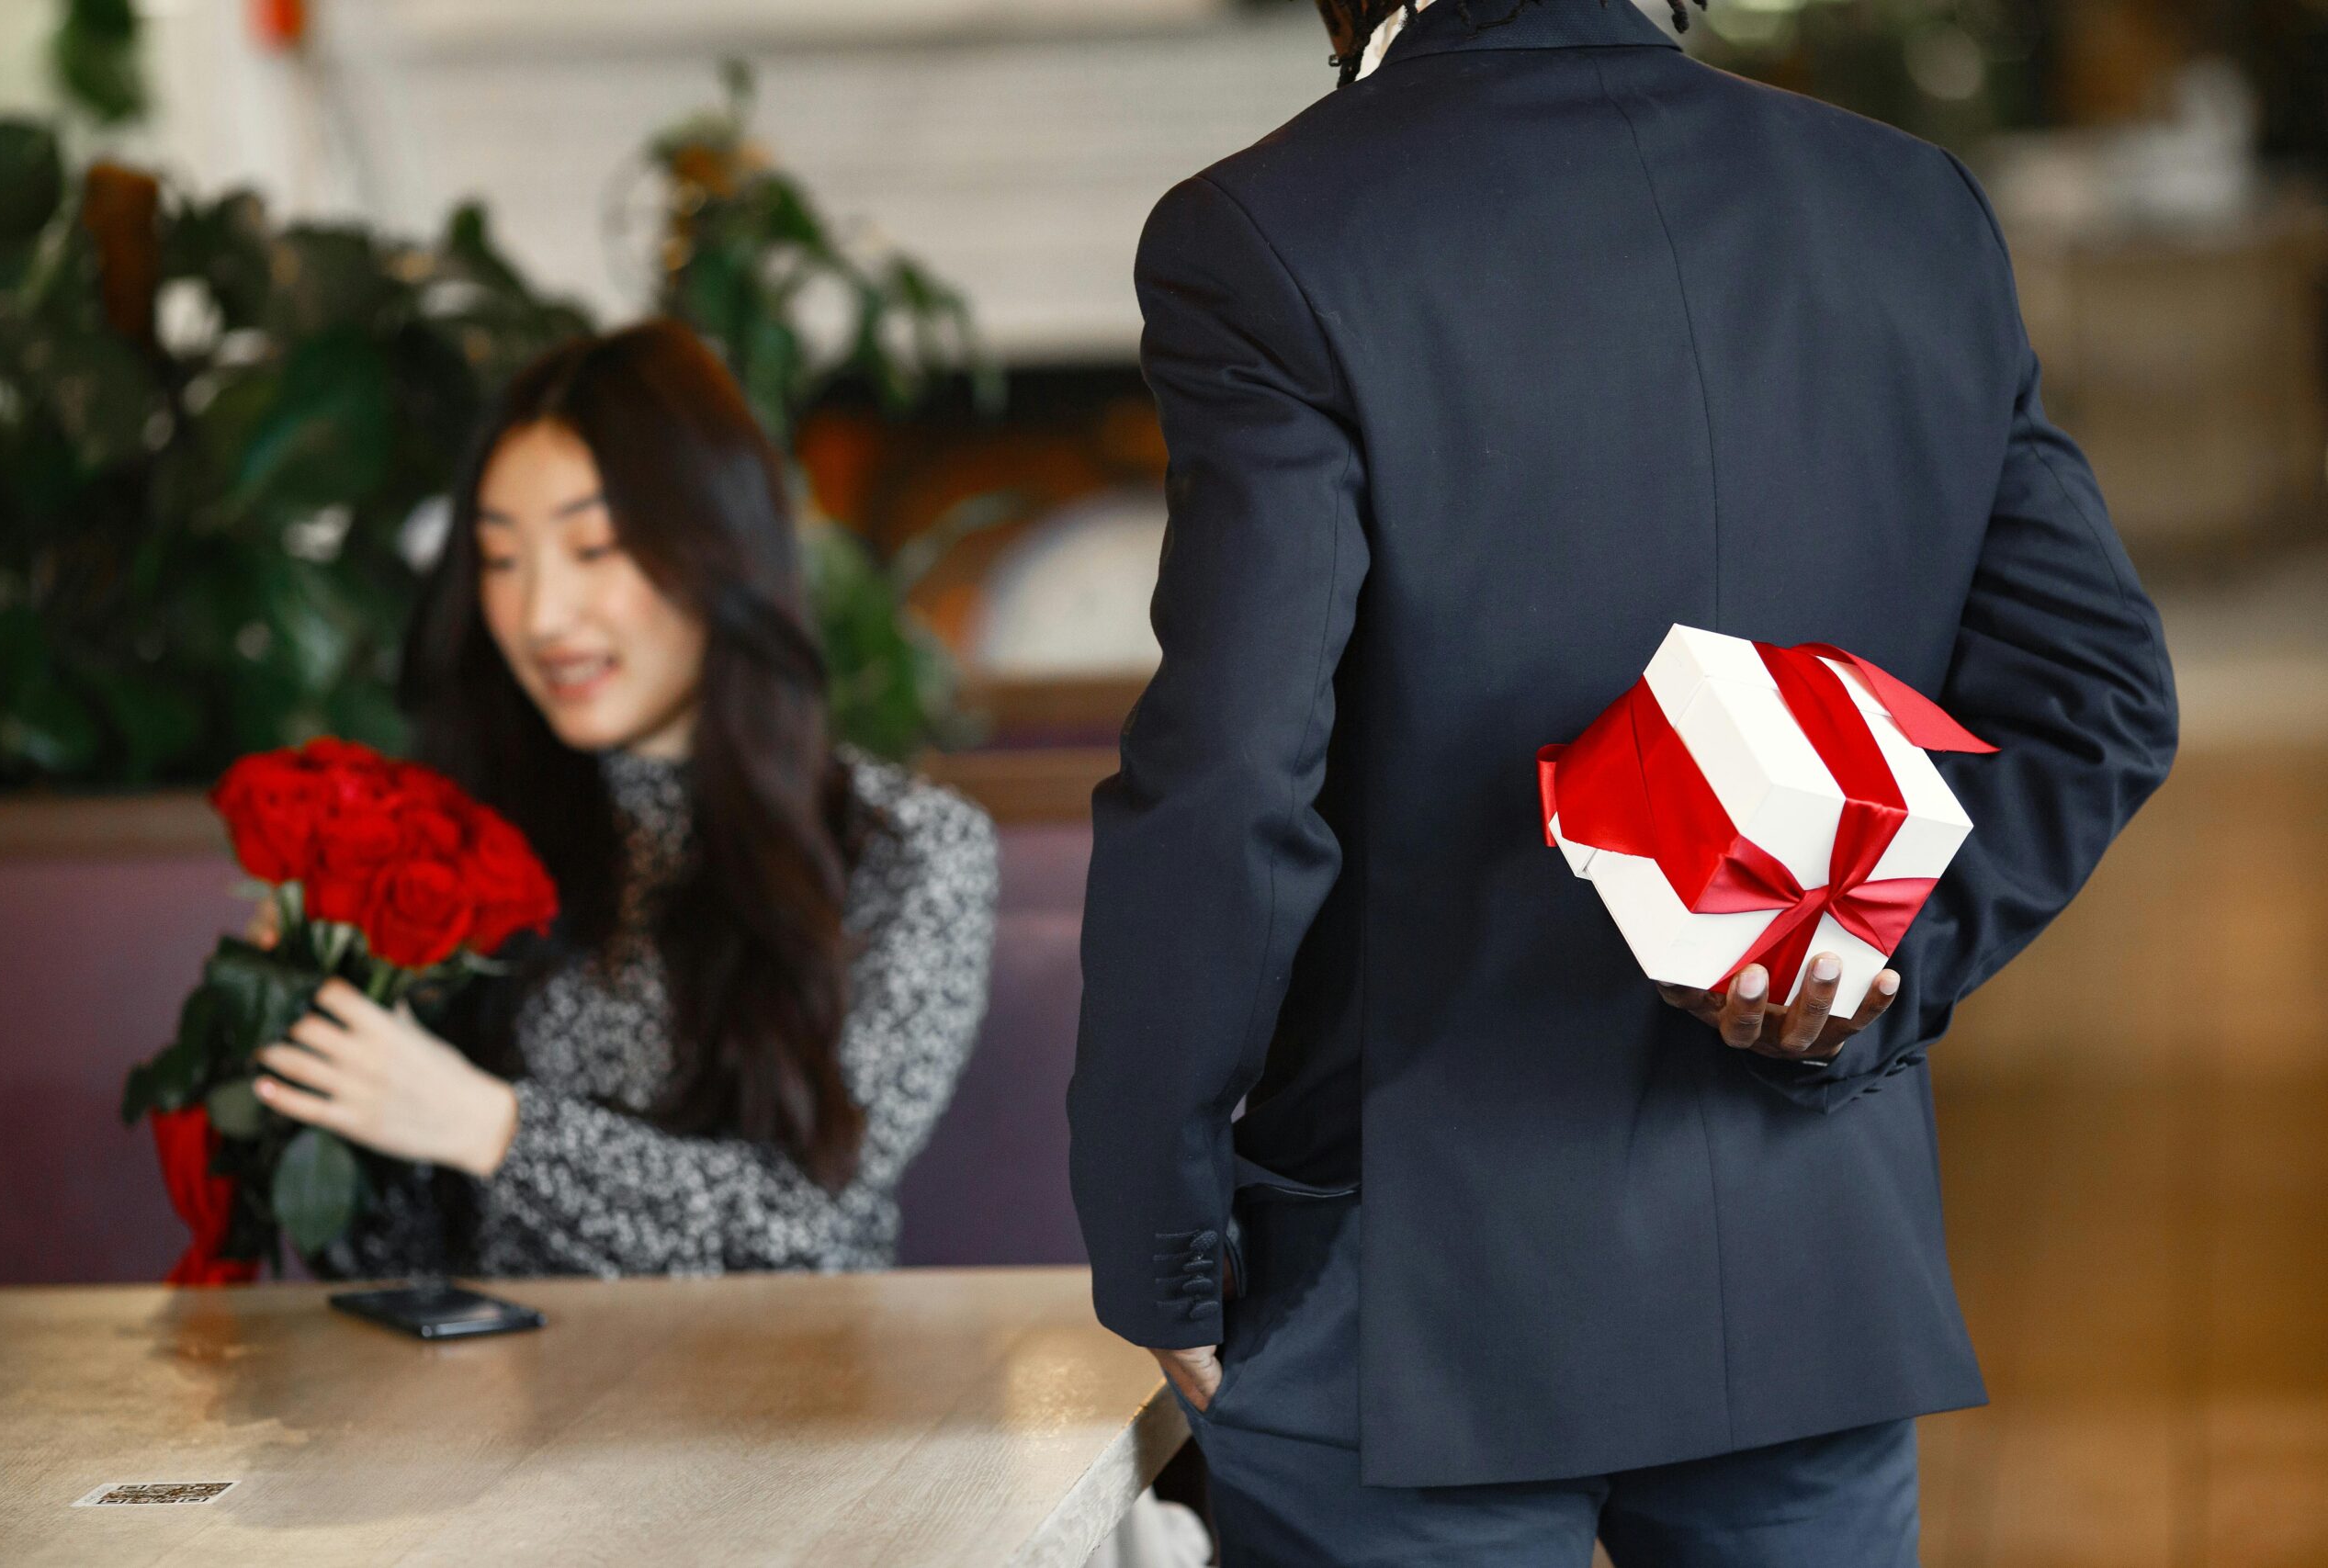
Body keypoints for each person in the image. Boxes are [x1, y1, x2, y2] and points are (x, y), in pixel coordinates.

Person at [1066, 0, 2178, 1562]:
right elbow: (2103, 687)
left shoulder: (1267, 231)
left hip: (1414, 1290)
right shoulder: (1908, 205)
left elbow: (1238, 773)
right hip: (1808, 1266)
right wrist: (1854, 966)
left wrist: (1158, 1232)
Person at [247, 320, 1000, 1279]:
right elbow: (404, 1268)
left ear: (718, 548)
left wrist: (490, 1126)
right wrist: (325, 1065)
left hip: (783, 1413)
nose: (539, 616)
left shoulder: (910, 852)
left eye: (593, 548)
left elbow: (801, 1222)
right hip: (490, 1412)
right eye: (501, 558)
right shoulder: (465, 841)